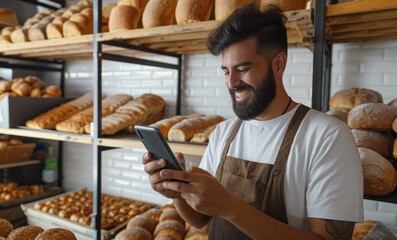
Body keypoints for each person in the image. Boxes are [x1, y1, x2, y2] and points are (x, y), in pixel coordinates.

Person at [142, 3, 363, 239]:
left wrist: (231, 207)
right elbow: (203, 220)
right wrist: (176, 193)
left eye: (243, 68)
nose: (231, 83)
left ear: (278, 64)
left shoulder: (327, 136)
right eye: (226, 71)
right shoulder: (225, 132)